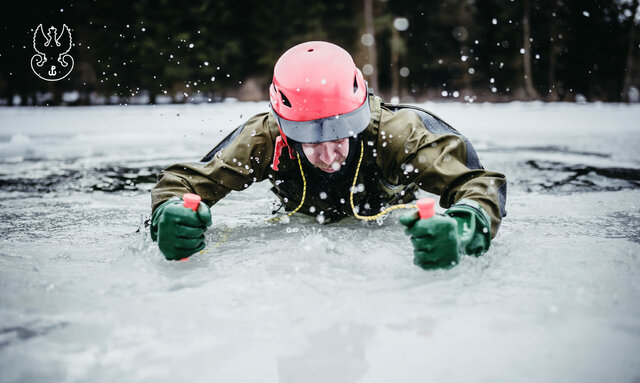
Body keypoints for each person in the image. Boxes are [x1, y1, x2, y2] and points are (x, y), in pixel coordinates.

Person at [150, 41, 507, 269]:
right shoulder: (263, 138)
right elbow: (185, 183)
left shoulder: (397, 133)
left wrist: (464, 229)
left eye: (340, 134)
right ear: (284, 125)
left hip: (389, 225)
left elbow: (477, 182)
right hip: (300, 225)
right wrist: (171, 213)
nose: (328, 154)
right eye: (309, 139)